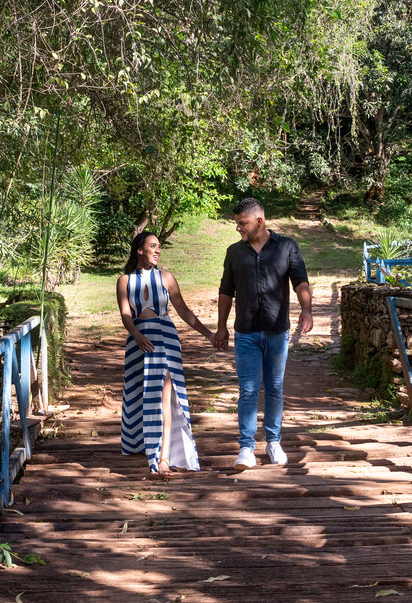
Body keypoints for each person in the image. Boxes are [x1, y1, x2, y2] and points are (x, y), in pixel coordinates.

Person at [213, 198, 313, 470]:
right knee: (247, 391)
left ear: (259, 221)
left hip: (277, 331)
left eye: (242, 223)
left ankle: (273, 442)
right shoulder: (234, 252)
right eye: (237, 224)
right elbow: (226, 291)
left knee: (275, 388)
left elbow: (300, 281)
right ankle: (246, 448)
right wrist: (221, 326)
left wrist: (306, 310)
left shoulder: (287, 246)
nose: (238, 228)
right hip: (246, 332)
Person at [117, 231, 214, 477]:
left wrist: (209, 335)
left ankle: (163, 458)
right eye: (153, 246)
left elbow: (184, 311)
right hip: (138, 341)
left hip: (165, 339)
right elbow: (126, 314)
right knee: (139, 393)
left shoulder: (166, 277)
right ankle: (142, 443)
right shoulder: (124, 280)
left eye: (159, 246)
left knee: (164, 396)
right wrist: (136, 335)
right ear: (140, 250)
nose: (158, 250)